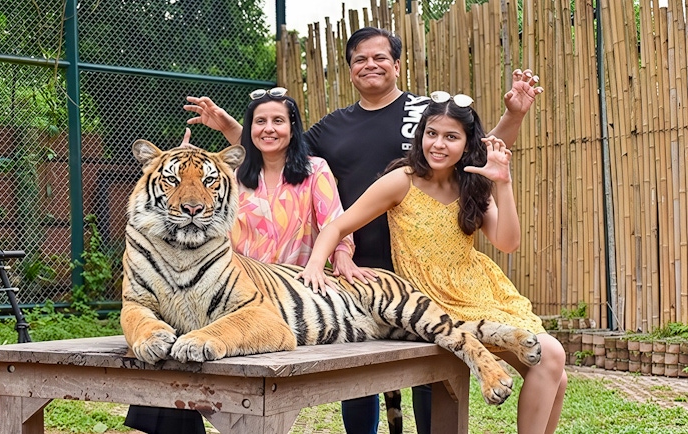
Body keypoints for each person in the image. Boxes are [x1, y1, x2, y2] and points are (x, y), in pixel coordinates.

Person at [183, 26, 542, 434]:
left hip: (421, 267)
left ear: (398, 65)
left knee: (431, 370)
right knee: (359, 378)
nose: (370, 65)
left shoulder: (424, 114)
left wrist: (513, 115)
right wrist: (234, 128)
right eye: (359, 59)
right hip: (359, 268)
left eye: (379, 57)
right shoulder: (333, 126)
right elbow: (280, 147)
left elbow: (476, 152)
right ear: (350, 70)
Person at [297, 92, 568, 434]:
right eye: (431, 133)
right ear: (420, 134)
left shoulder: (470, 183)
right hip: (432, 301)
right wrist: (316, 265)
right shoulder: (403, 180)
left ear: (468, 143)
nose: (438, 144)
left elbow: (508, 242)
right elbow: (337, 224)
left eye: (451, 137)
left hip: (481, 290)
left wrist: (503, 183)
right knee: (552, 356)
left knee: (556, 374)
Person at [125, 88, 365, 434]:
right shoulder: (231, 175)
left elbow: (337, 224)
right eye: (260, 121)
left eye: (278, 121)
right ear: (249, 128)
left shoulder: (315, 170)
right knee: (172, 351)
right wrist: (178, 169)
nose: (269, 128)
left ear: (293, 127)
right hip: (228, 290)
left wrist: (340, 257)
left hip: (289, 292)